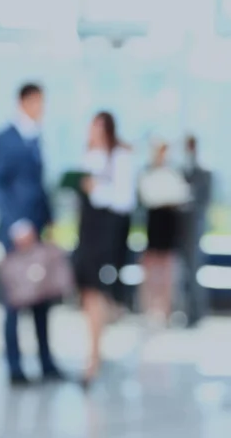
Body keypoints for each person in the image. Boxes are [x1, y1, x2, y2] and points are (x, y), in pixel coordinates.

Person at [0, 83, 63, 385]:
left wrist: (50, 222)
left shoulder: (35, 139)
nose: (41, 108)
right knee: (14, 300)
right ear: (24, 101)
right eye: (38, 102)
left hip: (39, 232)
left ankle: (46, 363)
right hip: (15, 234)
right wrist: (17, 223)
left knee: (43, 298)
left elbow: (39, 186)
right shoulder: (2, 141)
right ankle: (15, 367)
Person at [74, 111, 136, 386]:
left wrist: (96, 188)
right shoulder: (89, 155)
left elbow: (124, 200)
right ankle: (95, 349)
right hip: (86, 229)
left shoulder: (120, 157)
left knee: (96, 291)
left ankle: (94, 357)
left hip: (106, 232)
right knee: (89, 293)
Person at [138, 141, 191, 327]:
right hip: (155, 222)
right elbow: (148, 196)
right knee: (151, 268)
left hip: (169, 222)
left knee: (168, 269)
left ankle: (166, 310)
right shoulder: (148, 173)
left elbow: (181, 195)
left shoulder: (173, 174)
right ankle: (150, 309)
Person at [180, 135, 212, 327]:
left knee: (193, 270)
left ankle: (195, 313)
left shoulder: (204, 172)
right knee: (182, 273)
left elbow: (204, 202)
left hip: (194, 228)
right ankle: (183, 311)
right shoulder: (181, 171)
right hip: (179, 228)